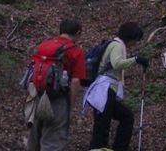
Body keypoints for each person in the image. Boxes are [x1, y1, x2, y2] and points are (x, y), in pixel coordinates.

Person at [84, 21, 150, 151]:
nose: (135, 43)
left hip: (106, 91)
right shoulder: (117, 46)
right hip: (104, 90)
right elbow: (117, 64)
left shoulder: (114, 44)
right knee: (102, 126)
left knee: (125, 117)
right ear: (130, 38)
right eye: (135, 40)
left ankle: (119, 147)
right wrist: (136, 59)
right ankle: (99, 148)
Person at [27, 18, 87, 151]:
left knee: (34, 137)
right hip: (58, 100)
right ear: (77, 33)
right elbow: (76, 81)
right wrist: (70, 104)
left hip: (37, 95)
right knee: (53, 140)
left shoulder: (44, 45)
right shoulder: (76, 51)